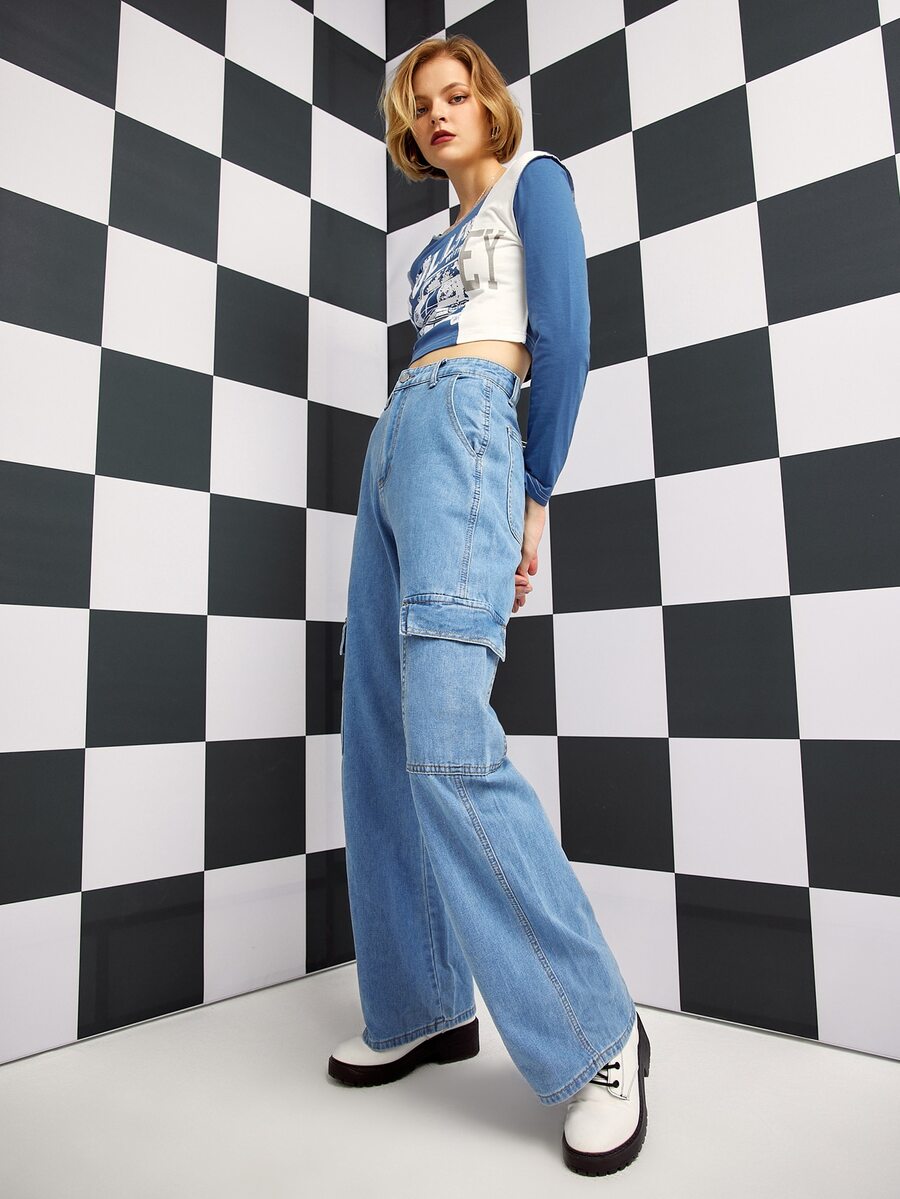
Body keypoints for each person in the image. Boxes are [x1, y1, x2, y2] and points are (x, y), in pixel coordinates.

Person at [327, 34, 651, 1177]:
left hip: (468, 423)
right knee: (380, 736)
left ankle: (597, 1034)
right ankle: (422, 1001)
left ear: (489, 104)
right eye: (421, 104)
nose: (437, 114)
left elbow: (565, 336)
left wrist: (533, 491)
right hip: (396, 443)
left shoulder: (535, 183)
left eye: (455, 94)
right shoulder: (434, 244)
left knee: (450, 735)